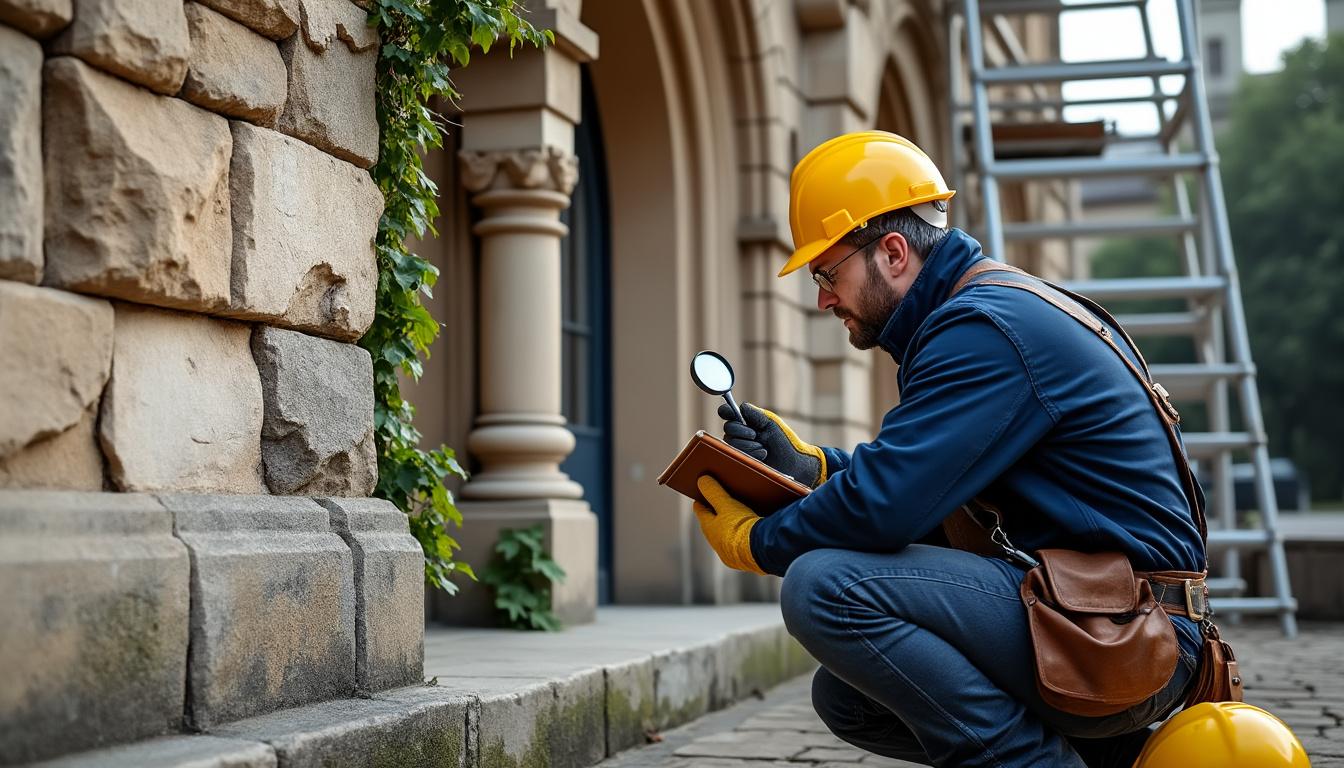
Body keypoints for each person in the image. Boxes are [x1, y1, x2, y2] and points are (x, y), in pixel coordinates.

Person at [690, 131, 1210, 767]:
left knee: (824, 588)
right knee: (848, 696)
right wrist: (813, 469)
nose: (824, 298)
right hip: (1099, 614)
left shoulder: (983, 330)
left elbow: (885, 509)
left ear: (893, 251)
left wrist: (758, 542)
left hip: (1131, 635)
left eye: (828, 273)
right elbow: (922, 485)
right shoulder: (978, 312)